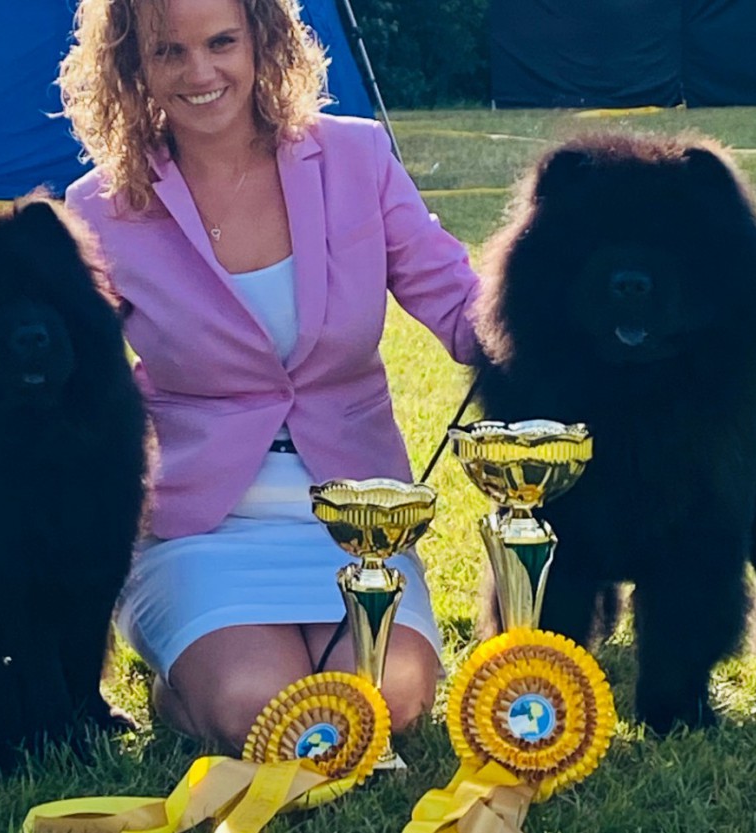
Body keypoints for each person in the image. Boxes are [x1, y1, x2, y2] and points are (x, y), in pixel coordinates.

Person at [59, 0, 480, 753]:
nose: (200, 72)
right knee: (264, 709)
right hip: (198, 530)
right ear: (132, 65)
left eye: (222, 42)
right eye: (169, 52)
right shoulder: (98, 208)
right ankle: (186, 685)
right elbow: (73, 380)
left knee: (385, 701)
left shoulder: (358, 157)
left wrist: (566, 306)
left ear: (262, 40)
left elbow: (463, 304)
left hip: (357, 527)